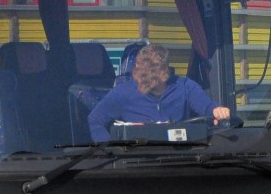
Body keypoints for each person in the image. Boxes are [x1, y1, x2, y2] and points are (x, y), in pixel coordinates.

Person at [87, 43, 230, 142]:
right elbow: (95, 121)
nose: (144, 78)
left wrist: (217, 110)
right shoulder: (122, 93)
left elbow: (207, 107)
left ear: (165, 72)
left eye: (151, 74)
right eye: (140, 72)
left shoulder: (185, 86)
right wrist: (113, 151)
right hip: (136, 165)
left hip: (182, 160)